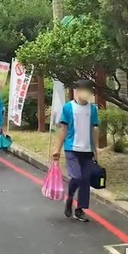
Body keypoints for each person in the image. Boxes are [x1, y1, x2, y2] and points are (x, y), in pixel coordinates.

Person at [52, 80, 99, 222]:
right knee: (77, 177)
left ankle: (80, 209)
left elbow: (94, 129)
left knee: (85, 180)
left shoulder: (93, 109)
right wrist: (57, 149)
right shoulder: (68, 108)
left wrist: (96, 150)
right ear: (76, 90)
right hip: (71, 148)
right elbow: (63, 129)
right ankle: (70, 198)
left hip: (87, 150)